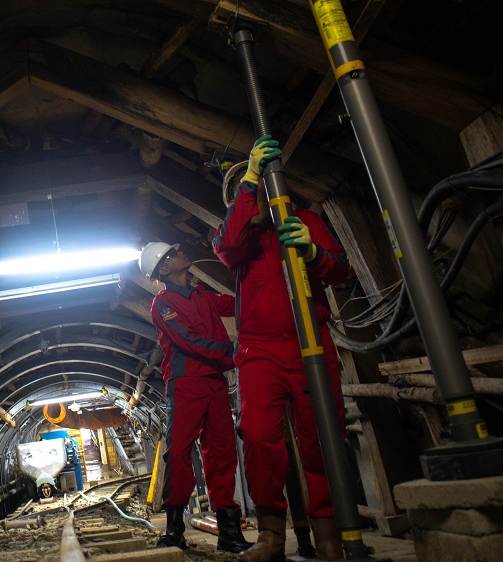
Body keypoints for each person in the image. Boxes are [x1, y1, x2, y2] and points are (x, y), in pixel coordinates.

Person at [212, 135, 350, 562]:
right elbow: (224, 247)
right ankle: (271, 534)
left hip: (311, 341)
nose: (252, 197)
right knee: (257, 435)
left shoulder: (306, 220)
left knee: (321, 437)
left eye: (259, 184)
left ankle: (329, 532)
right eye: (246, 192)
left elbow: (340, 271)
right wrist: (248, 177)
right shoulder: (240, 239)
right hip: (259, 351)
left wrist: (311, 250)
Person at [138, 242, 251, 554]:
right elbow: (189, 341)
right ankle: (174, 529)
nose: (180, 253)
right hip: (186, 383)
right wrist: (232, 352)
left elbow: (234, 304)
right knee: (178, 453)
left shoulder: (202, 295)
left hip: (214, 382)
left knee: (222, 452)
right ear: (163, 269)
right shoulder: (163, 304)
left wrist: (255, 283)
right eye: (171, 254)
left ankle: (229, 531)